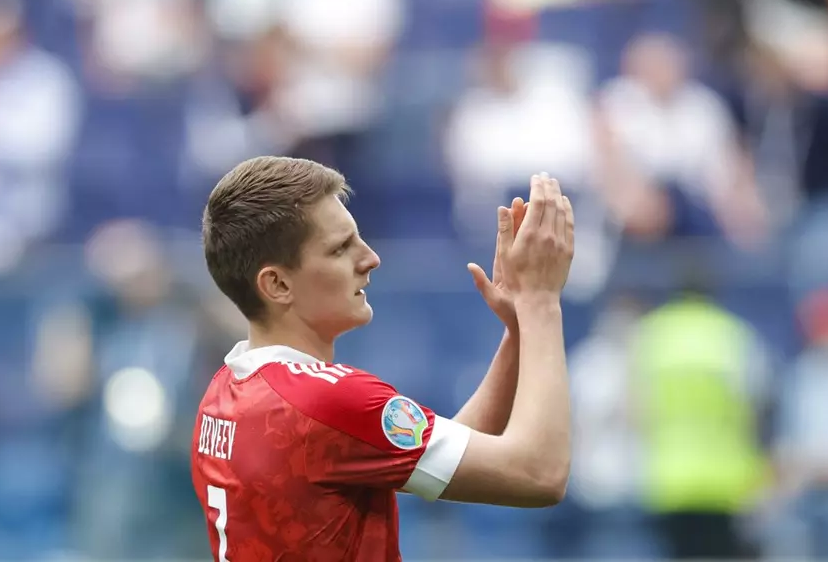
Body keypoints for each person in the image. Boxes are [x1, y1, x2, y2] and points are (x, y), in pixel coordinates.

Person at [190, 156, 575, 561]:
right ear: (277, 284)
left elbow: (439, 452)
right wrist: (541, 301)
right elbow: (539, 474)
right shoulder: (326, 402)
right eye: (340, 249)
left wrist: (518, 331)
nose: (370, 258)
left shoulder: (223, 393)